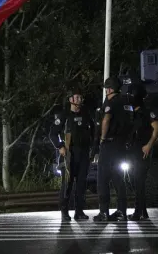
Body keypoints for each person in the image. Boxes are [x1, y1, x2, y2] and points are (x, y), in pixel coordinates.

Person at [48, 89, 94, 221]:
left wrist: (94, 148)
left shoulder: (86, 114)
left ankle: (79, 211)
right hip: (69, 153)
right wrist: (60, 146)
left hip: (84, 153)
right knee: (67, 184)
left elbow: (93, 131)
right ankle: (64, 212)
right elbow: (53, 133)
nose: (79, 99)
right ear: (71, 99)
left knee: (81, 183)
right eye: (77, 97)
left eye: (81, 97)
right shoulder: (64, 115)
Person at [93, 76, 134, 222]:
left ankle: (104, 212)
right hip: (121, 145)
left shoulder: (111, 102)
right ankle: (121, 211)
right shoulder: (126, 102)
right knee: (118, 178)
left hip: (109, 144)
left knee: (102, 178)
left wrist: (102, 138)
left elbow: (106, 119)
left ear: (109, 89)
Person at [127, 82, 158, 221]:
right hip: (132, 150)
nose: (129, 97)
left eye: (131, 94)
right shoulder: (130, 112)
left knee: (139, 181)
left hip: (143, 150)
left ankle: (138, 212)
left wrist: (149, 145)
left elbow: (157, 129)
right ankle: (143, 211)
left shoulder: (147, 111)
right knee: (134, 181)